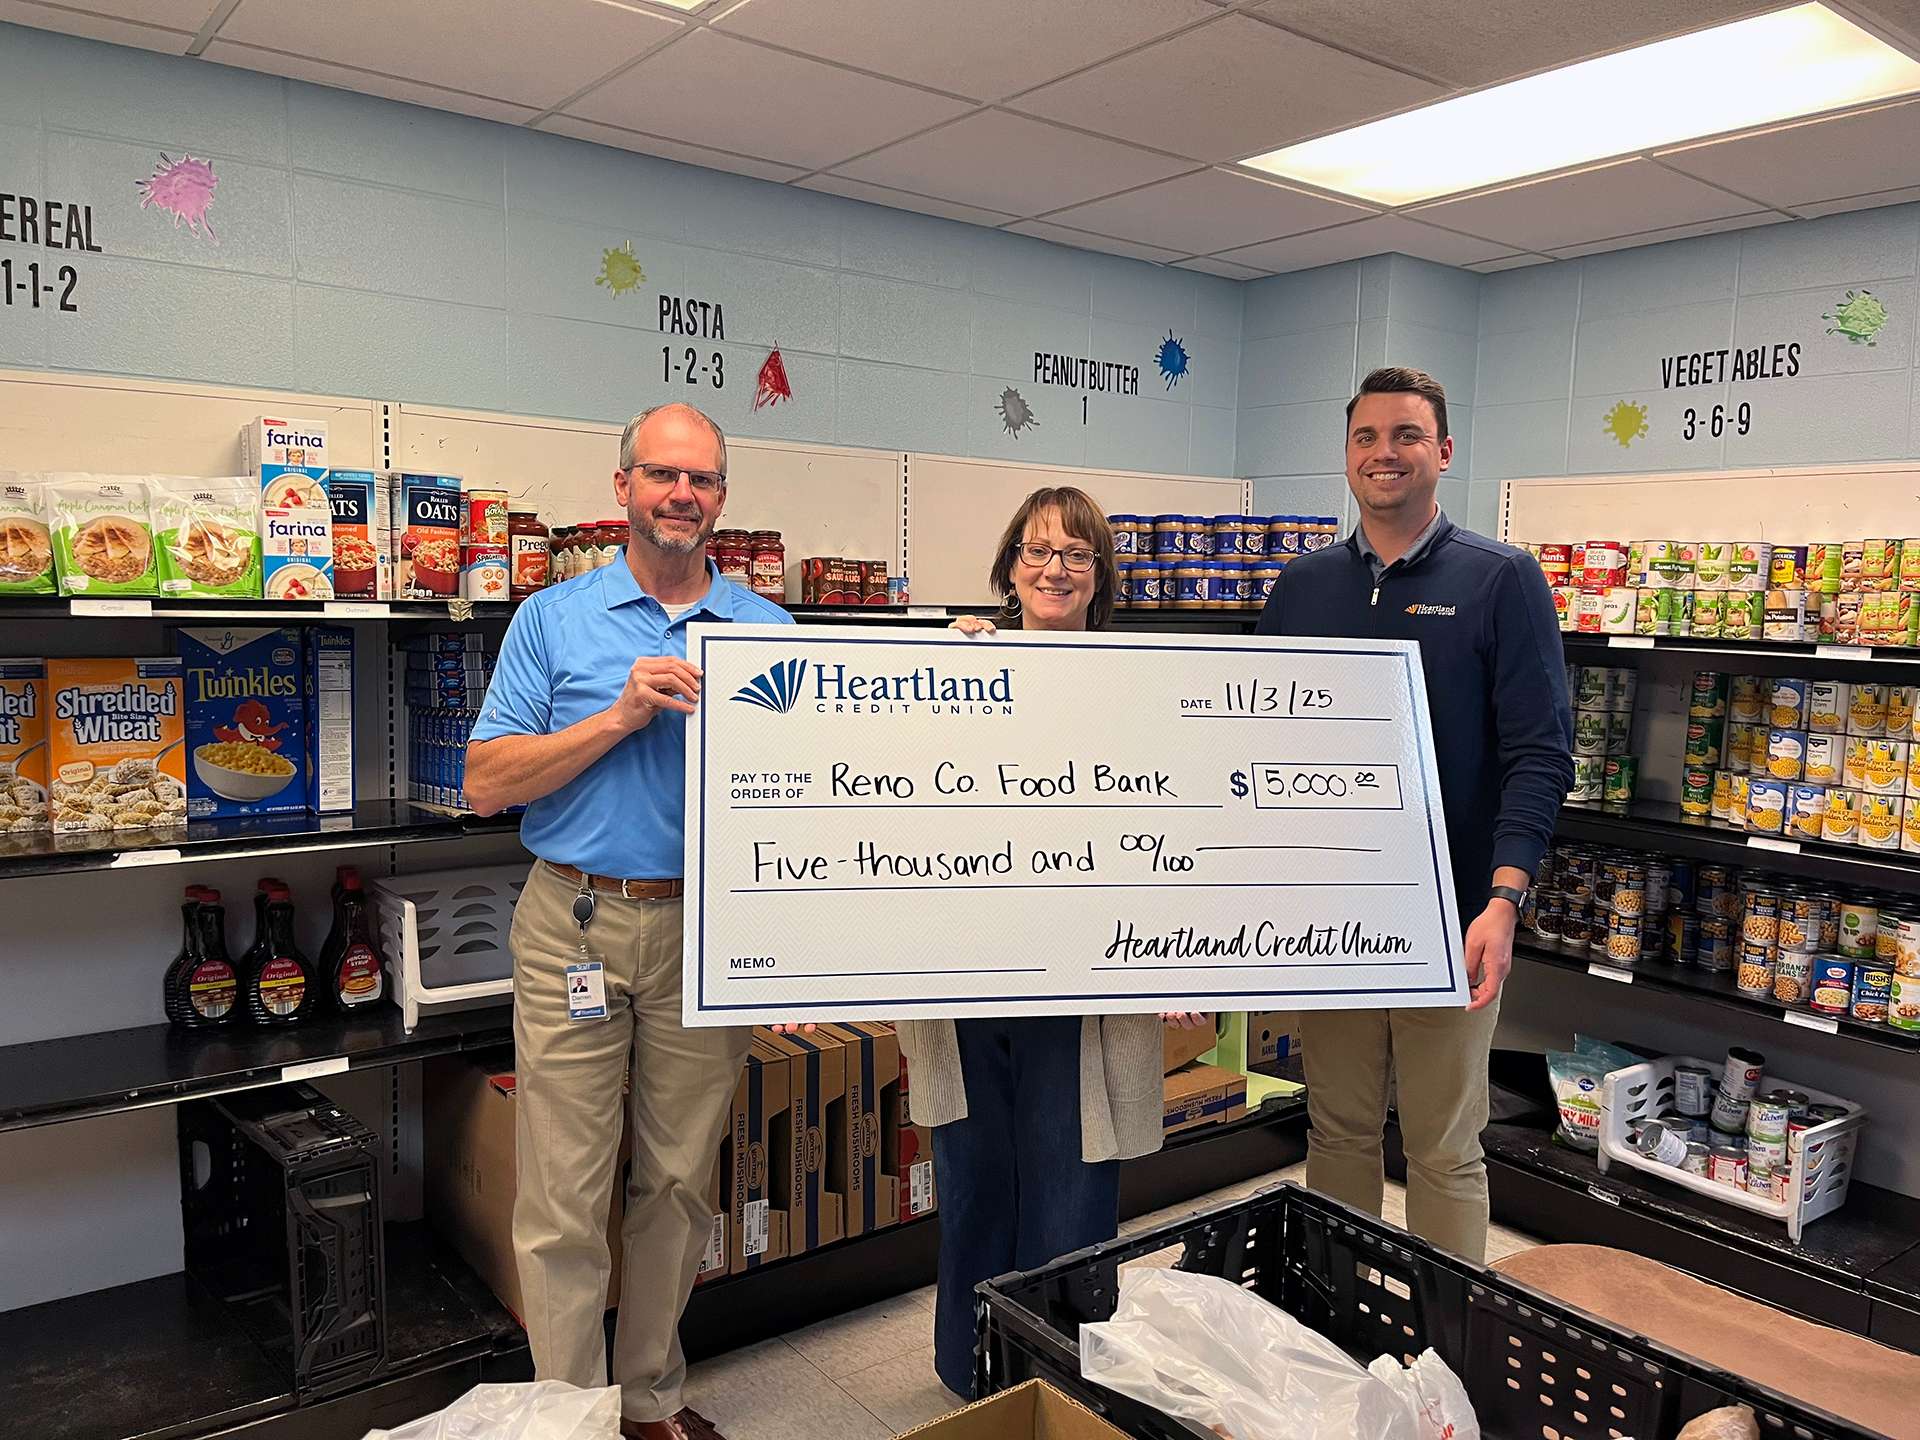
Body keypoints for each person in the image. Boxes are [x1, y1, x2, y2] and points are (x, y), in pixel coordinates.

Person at [465, 402, 792, 1440]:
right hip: (576, 922)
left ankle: (648, 1400)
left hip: (709, 935)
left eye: (702, 481)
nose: (682, 496)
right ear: (623, 490)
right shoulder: (551, 621)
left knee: (680, 1186)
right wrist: (617, 715)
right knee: (562, 1197)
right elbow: (482, 783)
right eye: (662, 475)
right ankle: (571, 1420)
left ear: (722, 501)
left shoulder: (767, 632)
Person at [1254, 367, 1573, 1264]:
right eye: (1366, 438)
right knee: (1339, 1130)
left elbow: (1541, 754)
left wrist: (1503, 901)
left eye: (1404, 436)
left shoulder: (1502, 579)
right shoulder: (1301, 589)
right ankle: (1343, 1320)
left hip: (1452, 920)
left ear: (1442, 452)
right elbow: (1257, 746)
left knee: (1442, 1148)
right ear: (1346, 455)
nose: (1383, 454)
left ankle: (1449, 1347)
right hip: (1330, 923)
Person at [898, 485, 1206, 1398]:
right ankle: (970, 1377)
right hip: (968, 986)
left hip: (1085, 992)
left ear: (1100, 575)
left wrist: (1189, 951)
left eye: (1076, 554)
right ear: (1009, 569)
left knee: (1073, 1199)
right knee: (975, 1187)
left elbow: (1181, 826)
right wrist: (931, 675)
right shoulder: (953, 672)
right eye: (1037, 552)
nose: (1055, 569)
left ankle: (1058, 1383)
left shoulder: (1140, 686)